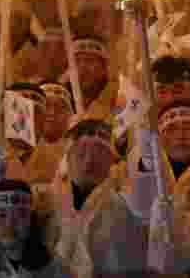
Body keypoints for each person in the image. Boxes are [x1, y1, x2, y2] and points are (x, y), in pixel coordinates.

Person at [31, 118, 157, 277]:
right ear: (69, 152)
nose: (90, 158)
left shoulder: (128, 199)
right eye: (87, 136)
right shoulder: (44, 198)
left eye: (102, 139)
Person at [0, 179, 70, 277]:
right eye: (1, 215)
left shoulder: (55, 269)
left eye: (20, 215)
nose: (9, 224)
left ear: (31, 220)